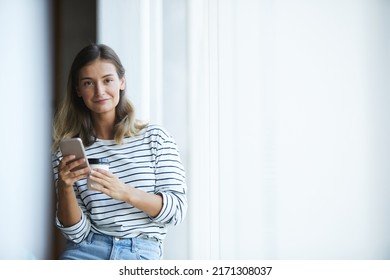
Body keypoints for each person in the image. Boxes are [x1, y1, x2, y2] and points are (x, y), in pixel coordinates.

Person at [51, 43, 187, 260]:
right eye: (88, 83)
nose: (99, 91)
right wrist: (65, 186)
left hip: (140, 251)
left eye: (107, 80)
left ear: (122, 82)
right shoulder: (68, 152)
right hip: (87, 250)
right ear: (78, 90)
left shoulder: (156, 138)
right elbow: (76, 233)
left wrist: (123, 192)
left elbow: (176, 211)